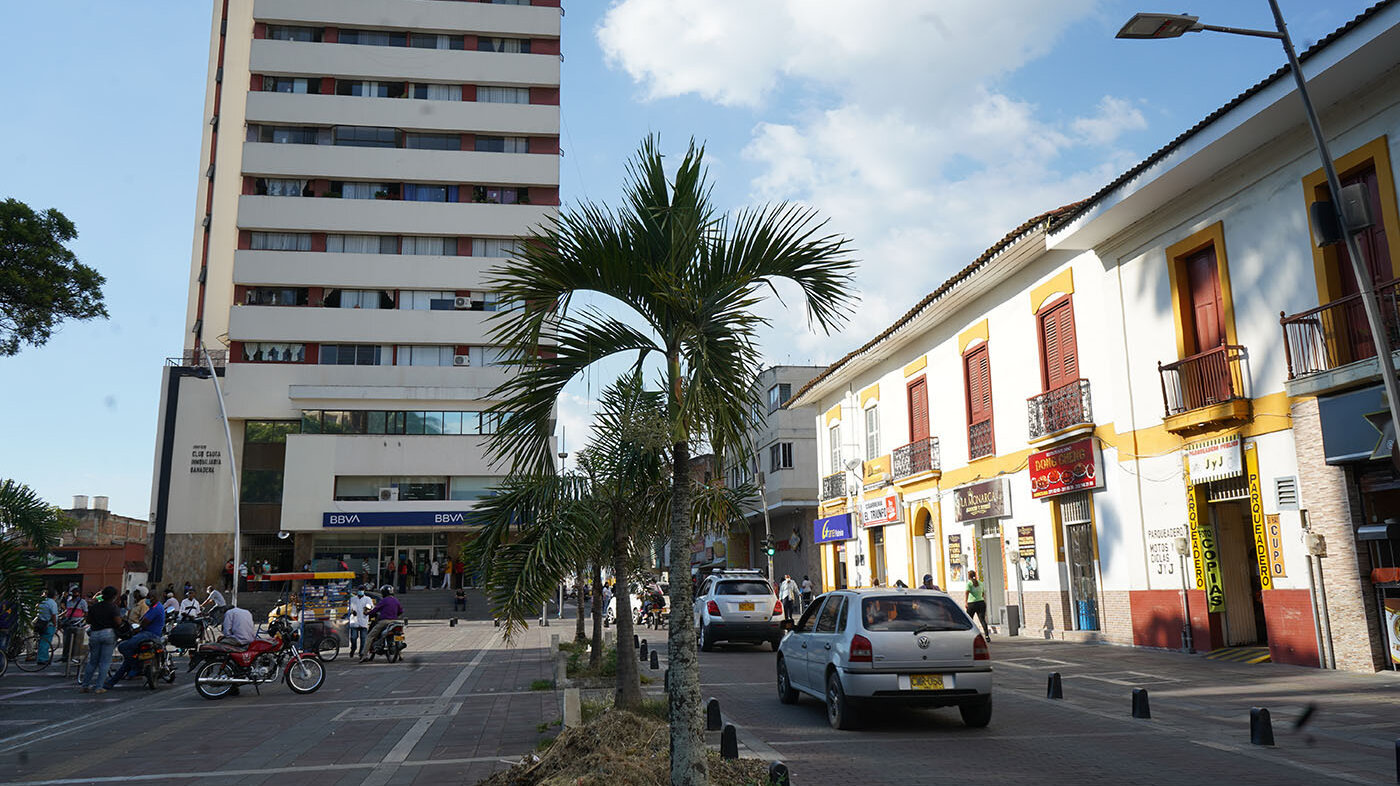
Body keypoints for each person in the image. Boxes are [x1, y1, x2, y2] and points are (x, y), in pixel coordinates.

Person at [104, 589, 165, 689]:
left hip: (149, 634)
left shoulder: (155, 608)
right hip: (149, 634)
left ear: (154, 598)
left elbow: (144, 623)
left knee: (123, 646)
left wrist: (137, 629)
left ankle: (135, 666)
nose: (148, 599)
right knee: (127, 661)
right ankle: (111, 682)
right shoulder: (154, 607)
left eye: (150, 597)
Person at [80, 587, 121, 694]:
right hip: (108, 633)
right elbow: (118, 622)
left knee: (92, 661)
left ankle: (85, 685)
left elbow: (88, 620)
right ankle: (99, 687)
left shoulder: (95, 607)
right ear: (113, 596)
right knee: (105, 662)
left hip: (95, 633)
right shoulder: (113, 607)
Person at [363, 586, 403, 661]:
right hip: (394, 621)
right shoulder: (396, 600)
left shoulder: (384, 601)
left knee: (370, 636)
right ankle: (400, 655)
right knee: (398, 635)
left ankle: (364, 655)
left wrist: (367, 613)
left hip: (384, 621)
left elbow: (375, 610)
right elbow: (400, 611)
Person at [32, 589, 60, 665]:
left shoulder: (42, 601)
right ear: (54, 596)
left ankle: (44, 657)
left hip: (41, 623)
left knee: (42, 641)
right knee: (45, 642)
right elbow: (53, 615)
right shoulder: (52, 603)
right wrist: (55, 625)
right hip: (49, 624)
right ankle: (42, 659)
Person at [346, 587, 373, 659]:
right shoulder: (353, 599)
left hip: (363, 621)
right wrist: (352, 611)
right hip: (354, 621)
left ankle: (361, 653)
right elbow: (348, 608)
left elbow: (370, 607)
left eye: (362, 590)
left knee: (363, 638)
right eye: (359, 590)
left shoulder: (368, 599)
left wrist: (367, 609)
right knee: (353, 637)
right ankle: (353, 648)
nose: (360, 591)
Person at [965, 570, 990, 638]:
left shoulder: (969, 583)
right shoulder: (980, 583)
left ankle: (970, 635)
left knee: (969, 620)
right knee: (982, 620)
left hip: (972, 604)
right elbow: (983, 593)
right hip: (981, 603)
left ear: (969, 576)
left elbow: (966, 593)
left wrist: (966, 602)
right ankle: (987, 635)